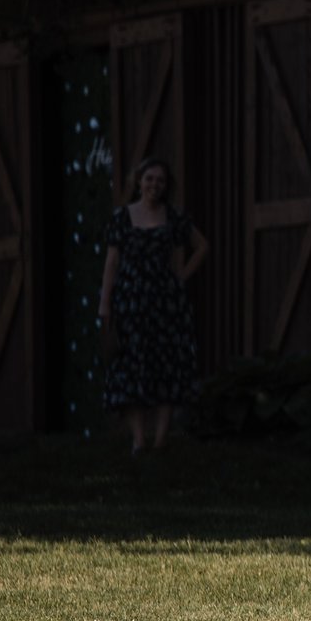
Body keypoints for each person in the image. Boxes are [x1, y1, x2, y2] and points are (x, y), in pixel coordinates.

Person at [97, 157, 208, 455]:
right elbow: (112, 261)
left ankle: (160, 441)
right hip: (131, 300)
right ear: (139, 181)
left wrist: (180, 276)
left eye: (160, 181)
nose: (154, 185)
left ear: (165, 186)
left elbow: (201, 246)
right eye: (149, 179)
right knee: (132, 363)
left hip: (165, 302)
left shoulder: (172, 217)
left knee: (166, 364)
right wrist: (104, 304)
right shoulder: (122, 217)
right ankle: (138, 439)